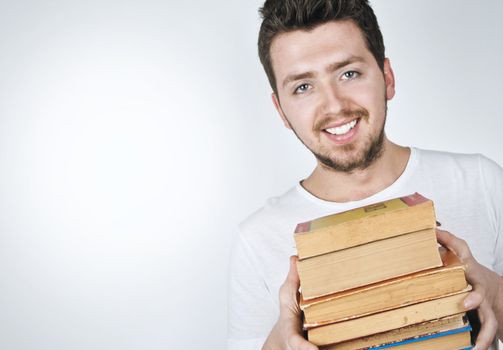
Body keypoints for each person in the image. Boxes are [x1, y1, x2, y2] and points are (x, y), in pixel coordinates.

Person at [227, 1, 503, 349]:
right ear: (281, 110)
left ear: (387, 78)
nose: (334, 105)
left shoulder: (480, 181)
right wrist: (284, 339)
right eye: (303, 87)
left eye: (348, 74)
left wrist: (494, 292)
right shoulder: (256, 240)